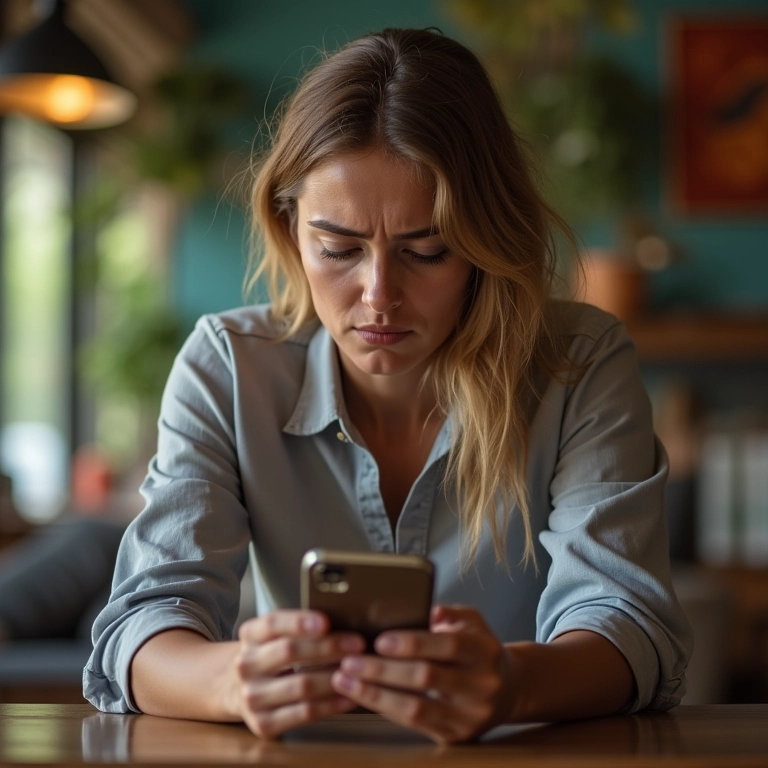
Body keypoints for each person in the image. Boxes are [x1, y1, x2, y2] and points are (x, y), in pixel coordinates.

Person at [84, 27, 693, 743]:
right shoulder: (228, 366)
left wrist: (514, 683)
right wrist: (231, 679)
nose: (378, 295)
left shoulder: (579, 364)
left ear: (484, 243)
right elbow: (144, 624)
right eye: (338, 248)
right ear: (289, 229)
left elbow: (629, 625)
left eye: (427, 250)